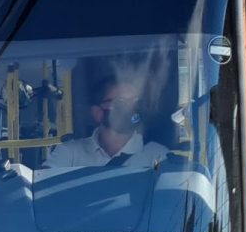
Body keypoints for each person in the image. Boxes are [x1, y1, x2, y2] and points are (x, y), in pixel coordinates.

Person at [42, 58, 171, 175]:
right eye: (120, 102)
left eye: (135, 102)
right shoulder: (69, 153)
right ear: (97, 112)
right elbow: (45, 188)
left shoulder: (157, 155)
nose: (131, 108)